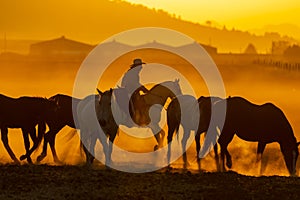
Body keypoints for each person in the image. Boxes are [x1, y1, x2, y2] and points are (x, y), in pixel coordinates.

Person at [121, 58, 148, 124]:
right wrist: (143, 88)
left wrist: (142, 88)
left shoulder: (132, 72)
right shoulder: (133, 73)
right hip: (130, 91)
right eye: (140, 66)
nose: (141, 67)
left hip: (130, 90)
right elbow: (134, 83)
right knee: (138, 102)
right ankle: (133, 118)